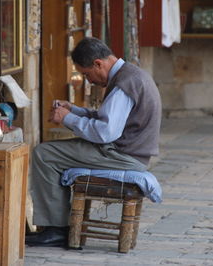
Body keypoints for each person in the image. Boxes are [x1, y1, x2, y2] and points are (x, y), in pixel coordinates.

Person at [25, 37, 162, 247]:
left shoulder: (124, 84)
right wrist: (73, 110)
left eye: (86, 74)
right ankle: (57, 223)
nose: (88, 80)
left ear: (98, 63)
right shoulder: (131, 75)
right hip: (127, 153)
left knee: (45, 154)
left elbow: (106, 132)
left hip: (123, 155)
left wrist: (66, 118)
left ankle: (55, 229)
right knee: (52, 152)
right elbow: (106, 118)